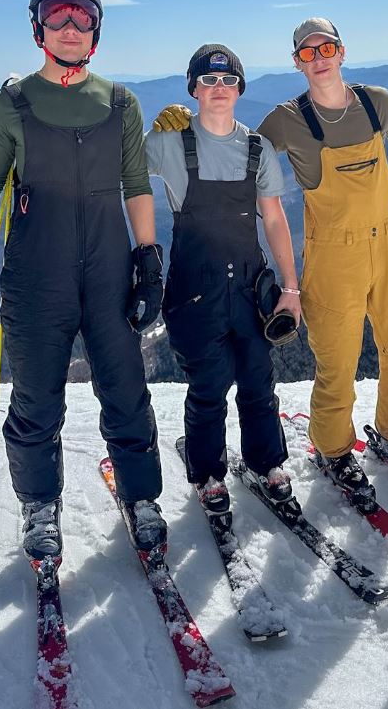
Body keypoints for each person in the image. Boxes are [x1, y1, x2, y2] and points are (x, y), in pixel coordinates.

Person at [152, 19, 388, 513]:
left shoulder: (376, 102)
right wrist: (185, 133)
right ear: (297, 62)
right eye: (307, 52)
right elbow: (237, 152)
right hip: (332, 254)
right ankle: (334, 451)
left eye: (326, 47)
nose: (318, 56)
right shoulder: (286, 120)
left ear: (341, 52)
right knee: (337, 363)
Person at [0, 0, 166, 559]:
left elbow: (136, 184)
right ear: (38, 25)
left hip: (111, 270)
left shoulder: (120, 102)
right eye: (58, 15)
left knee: (126, 389)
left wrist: (149, 258)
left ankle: (142, 496)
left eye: (82, 17)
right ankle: (40, 505)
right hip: (37, 277)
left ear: (96, 29)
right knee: (38, 398)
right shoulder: (10, 103)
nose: (70, 28)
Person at [146, 44, 300, 513]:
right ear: (192, 89)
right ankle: (209, 474)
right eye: (208, 81)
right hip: (194, 291)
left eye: (227, 81)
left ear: (239, 89)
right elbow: (112, 167)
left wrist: (290, 289)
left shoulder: (259, 150)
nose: (218, 89)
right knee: (208, 384)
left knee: (258, 379)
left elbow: (273, 219)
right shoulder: (168, 143)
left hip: (250, 286)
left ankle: (266, 461)